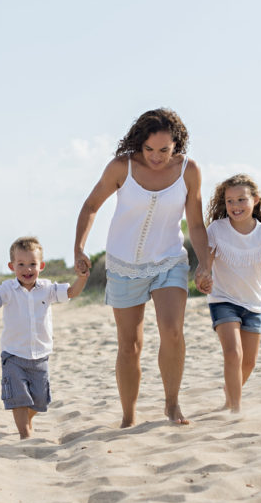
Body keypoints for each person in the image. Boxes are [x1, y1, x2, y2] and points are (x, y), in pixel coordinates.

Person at [74, 108, 212, 428]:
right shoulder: (122, 167)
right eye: (149, 149)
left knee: (173, 331)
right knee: (130, 345)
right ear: (140, 144)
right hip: (124, 264)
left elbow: (196, 224)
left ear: (177, 144)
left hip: (168, 259)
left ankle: (172, 404)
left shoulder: (188, 171)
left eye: (164, 150)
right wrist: (79, 247)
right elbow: (91, 206)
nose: (156, 156)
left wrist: (205, 263)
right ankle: (128, 416)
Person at [0, 237, 89, 439]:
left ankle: (27, 419)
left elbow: (71, 292)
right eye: (21, 264)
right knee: (19, 399)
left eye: (32, 264)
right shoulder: (7, 289)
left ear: (41, 266)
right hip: (14, 355)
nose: (27, 269)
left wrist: (83, 278)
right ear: (12, 266)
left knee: (40, 401)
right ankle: (25, 435)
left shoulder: (47, 288)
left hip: (40, 355)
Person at [204, 173, 261, 413]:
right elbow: (206, 262)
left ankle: (230, 393)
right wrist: (204, 276)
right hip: (223, 300)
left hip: (253, 304)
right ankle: (235, 410)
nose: (235, 206)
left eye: (241, 200)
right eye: (230, 201)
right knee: (233, 353)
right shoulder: (217, 229)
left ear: (256, 200)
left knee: (248, 362)